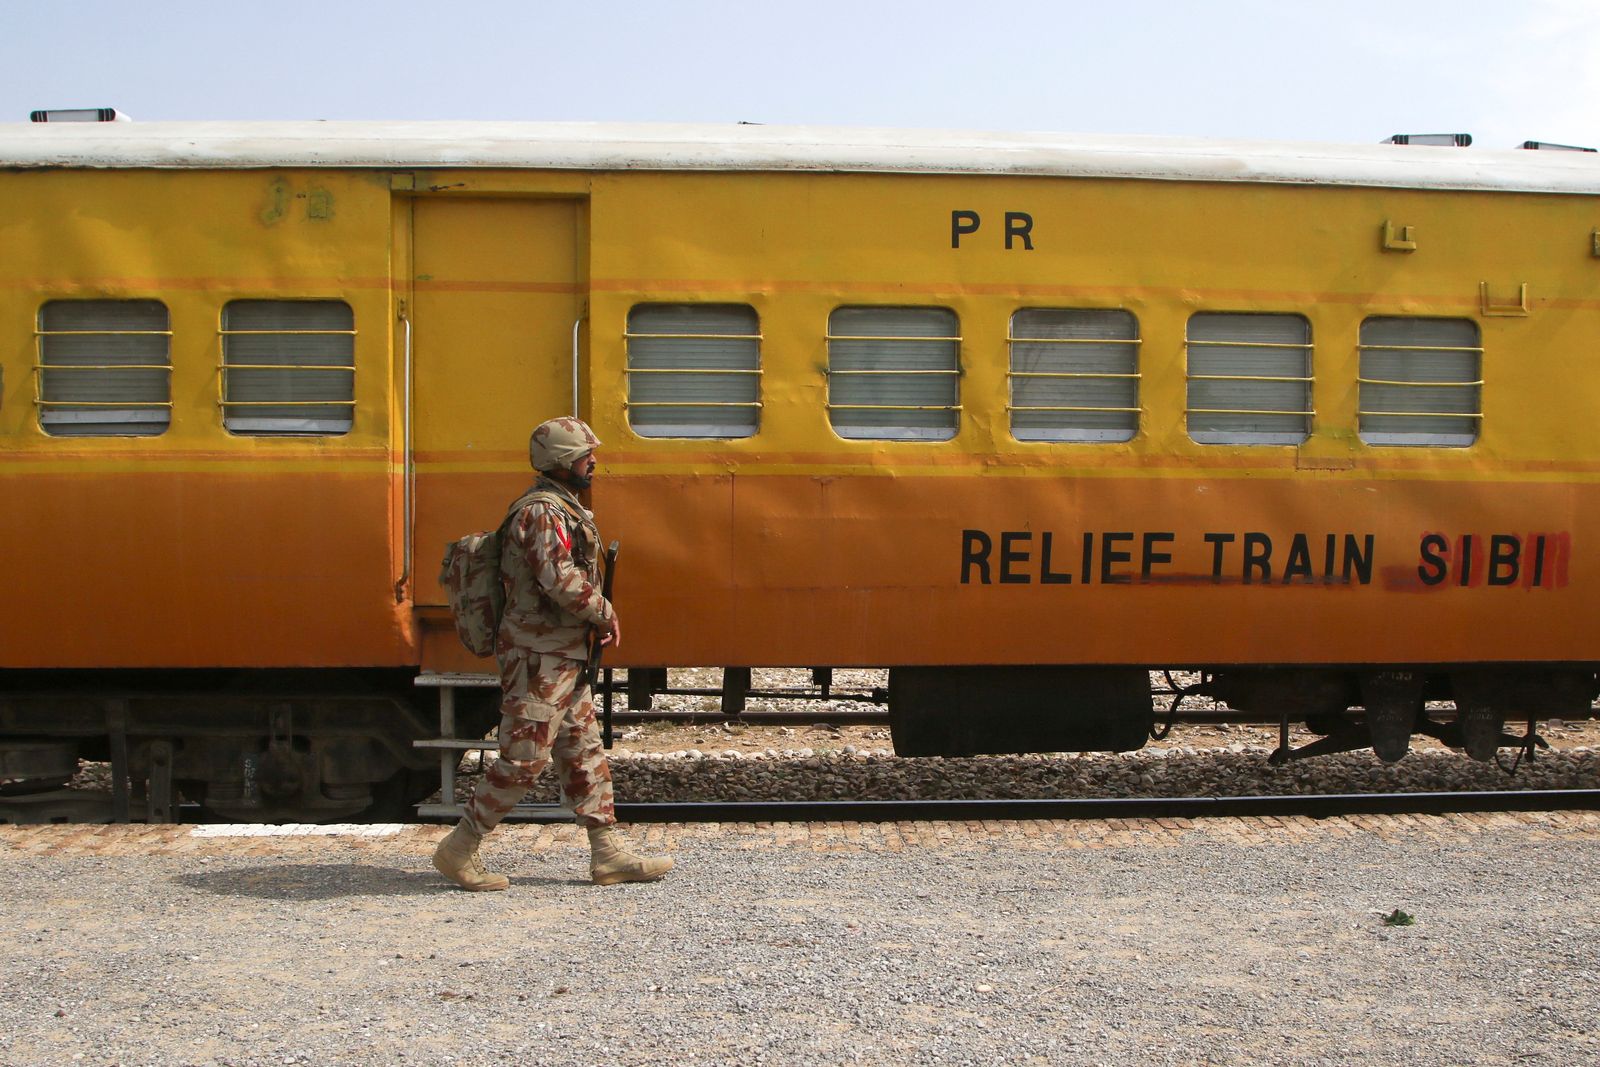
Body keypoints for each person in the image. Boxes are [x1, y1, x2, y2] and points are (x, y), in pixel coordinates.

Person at [432, 416, 674, 891]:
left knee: (583, 750)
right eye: (586, 455)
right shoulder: (542, 512)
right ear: (563, 462)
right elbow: (558, 577)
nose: (594, 462)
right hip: (538, 656)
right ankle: (458, 850)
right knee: (524, 758)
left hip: (562, 653)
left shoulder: (563, 506)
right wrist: (604, 612)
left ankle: (607, 855)